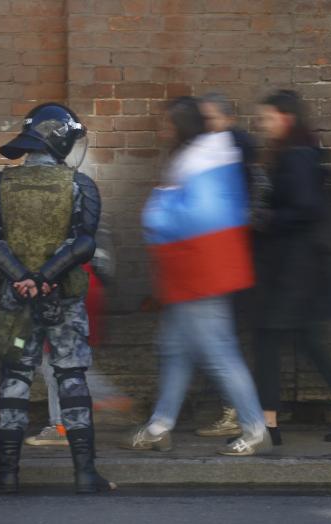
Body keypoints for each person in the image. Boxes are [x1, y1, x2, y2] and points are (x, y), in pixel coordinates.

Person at [0, 103, 115, 493]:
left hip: (15, 301)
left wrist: (23, 279)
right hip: (64, 300)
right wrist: (45, 278)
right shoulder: (79, 185)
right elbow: (83, 244)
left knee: (15, 378)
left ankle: (7, 473)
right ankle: (85, 474)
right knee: (70, 375)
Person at [129, 96, 271, 456]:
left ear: (180, 127)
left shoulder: (197, 161)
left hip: (198, 271)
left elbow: (197, 217)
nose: (161, 131)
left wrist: (158, 209)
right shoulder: (206, 157)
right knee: (174, 348)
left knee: (220, 351)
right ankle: (159, 426)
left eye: (166, 124)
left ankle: (255, 429)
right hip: (197, 270)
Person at [253, 90, 331, 443]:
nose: (263, 125)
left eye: (268, 118)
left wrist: (269, 218)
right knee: (311, 343)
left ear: (285, 118)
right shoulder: (301, 152)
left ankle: (268, 424)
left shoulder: (297, 156)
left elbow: (307, 208)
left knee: (268, 340)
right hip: (300, 267)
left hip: (293, 269)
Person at [25, 224, 131, 447]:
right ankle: (89, 407)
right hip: (81, 285)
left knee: (53, 361)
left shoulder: (53, 208)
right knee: (57, 358)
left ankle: (64, 424)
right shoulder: (84, 211)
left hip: (61, 290)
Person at [193, 92, 258, 439]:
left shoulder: (232, 150)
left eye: (210, 119)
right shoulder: (230, 149)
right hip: (227, 255)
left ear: (226, 118)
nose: (205, 126)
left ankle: (239, 414)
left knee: (223, 338)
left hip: (228, 256)